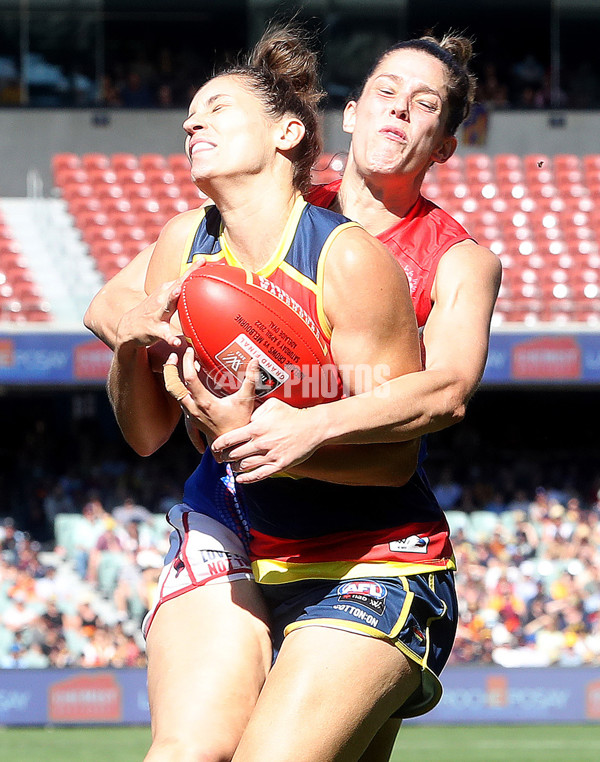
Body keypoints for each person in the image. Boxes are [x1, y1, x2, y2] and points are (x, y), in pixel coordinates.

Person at [84, 31, 501, 762]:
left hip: (363, 532)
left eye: (424, 105)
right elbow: (113, 304)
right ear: (347, 112)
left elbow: (445, 389)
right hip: (239, 517)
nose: (398, 110)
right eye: (385, 92)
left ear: (444, 145)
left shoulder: (453, 257)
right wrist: (155, 346)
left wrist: (302, 426)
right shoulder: (265, 204)